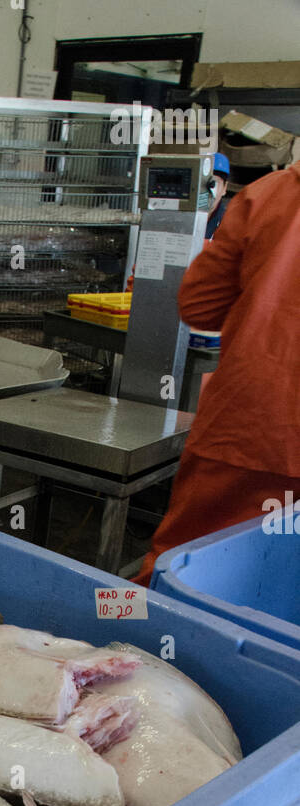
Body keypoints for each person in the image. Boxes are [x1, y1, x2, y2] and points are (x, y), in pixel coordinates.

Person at [137, 156, 300, 586]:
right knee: (282, 592)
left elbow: (200, 307)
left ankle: (115, 628)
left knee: (175, 568)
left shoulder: (271, 194)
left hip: (253, 425)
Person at [206, 152, 231, 239]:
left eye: (214, 183)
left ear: (224, 188)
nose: (207, 190)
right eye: (203, 182)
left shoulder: (229, 225)